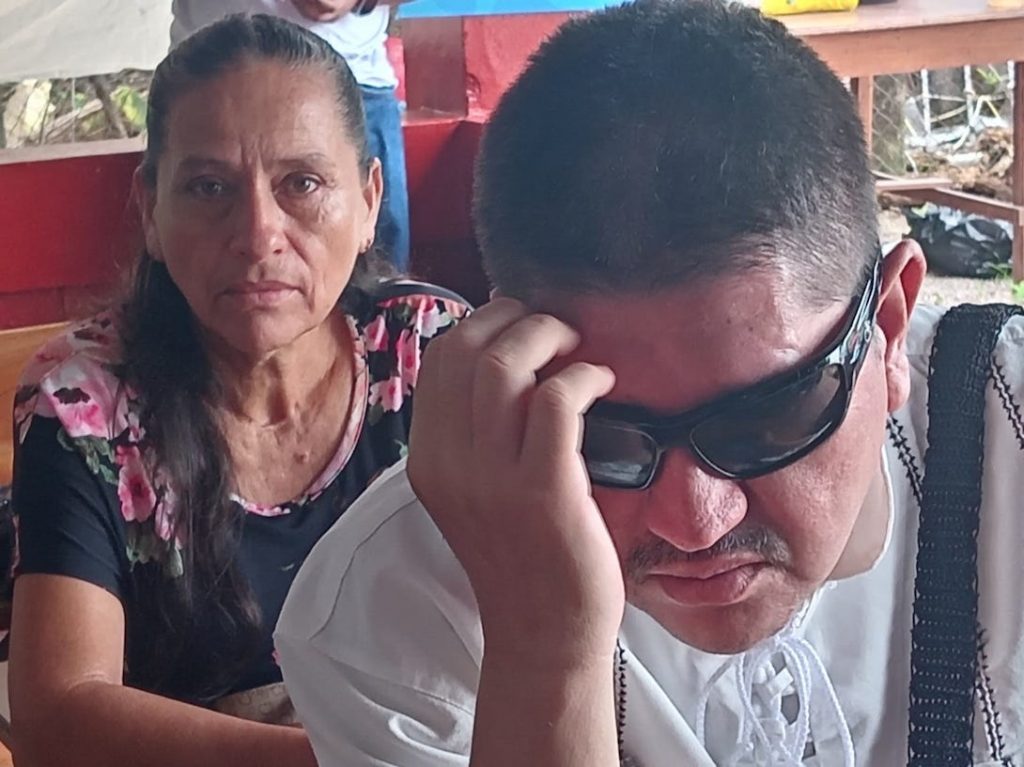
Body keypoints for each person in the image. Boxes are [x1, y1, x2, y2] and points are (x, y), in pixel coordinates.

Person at [274, 1, 1024, 765]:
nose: (694, 521)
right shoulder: (389, 615)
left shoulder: (1009, 429)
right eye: (604, 435)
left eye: (765, 420)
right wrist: (542, 655)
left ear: (889, 328)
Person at [8, 14, 465, 767]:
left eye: (302, 183)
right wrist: (352, 760)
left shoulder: (434, 354)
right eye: (209, 187)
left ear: (368, 201)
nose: (258, 234)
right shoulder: (88, 405)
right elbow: (59, 712)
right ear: (152, 212)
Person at [171, 0, 413, 271]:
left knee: (383, 276)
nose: (260, 240)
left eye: (302, 184)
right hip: (207, 80)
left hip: (356, 83)